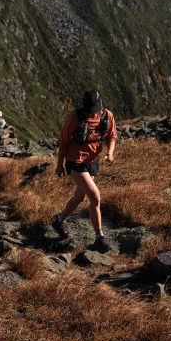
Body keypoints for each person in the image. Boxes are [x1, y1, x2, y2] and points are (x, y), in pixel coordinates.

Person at [51, 90, 117, 251]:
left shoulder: (107, 116)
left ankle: (59, 221)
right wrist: (60, 165)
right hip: (76, 161)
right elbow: (64, 142)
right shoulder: (75, 118)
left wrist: (110, 153)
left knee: (79, 197)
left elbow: (112, 136)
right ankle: (99, 237)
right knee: (95, 197)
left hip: (93, 160)